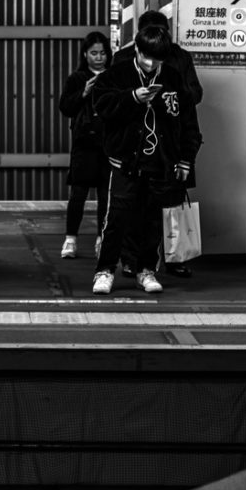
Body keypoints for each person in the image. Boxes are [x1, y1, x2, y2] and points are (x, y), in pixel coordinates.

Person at [86, 25, 200, 295]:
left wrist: (185, 160)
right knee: (116, 220)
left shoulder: (172, 77)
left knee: (152, 221)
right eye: (146, 56)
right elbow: (100, 106)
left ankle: (146, 270)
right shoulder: (117, 74)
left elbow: (189, 124)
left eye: (157, 59)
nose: (150, 64)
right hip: (124, 164)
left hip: (161, 165)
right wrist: (132, 98)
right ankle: (104, 271)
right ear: (136, 49)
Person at [108, 10, 204, 275]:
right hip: (136, 144)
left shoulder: (180, 58)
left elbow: (195, 94)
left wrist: (172, 97)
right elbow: (111, 102)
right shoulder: (123, 58)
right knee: (133, 205)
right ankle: (130, 259)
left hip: (170, 141)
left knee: (170, 202)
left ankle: (174, 256)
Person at [55, 30, 112, 259]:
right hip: (84, 142)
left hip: (108, 143)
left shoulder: (114, 76)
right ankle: (70, 239)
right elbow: (65, 107)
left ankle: (102, 238)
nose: (98, 57)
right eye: (93, 53)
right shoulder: (77, 78)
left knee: (105, 195)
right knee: (78, 193)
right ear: (85, 55)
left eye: (102, 53)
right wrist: (84, 92)